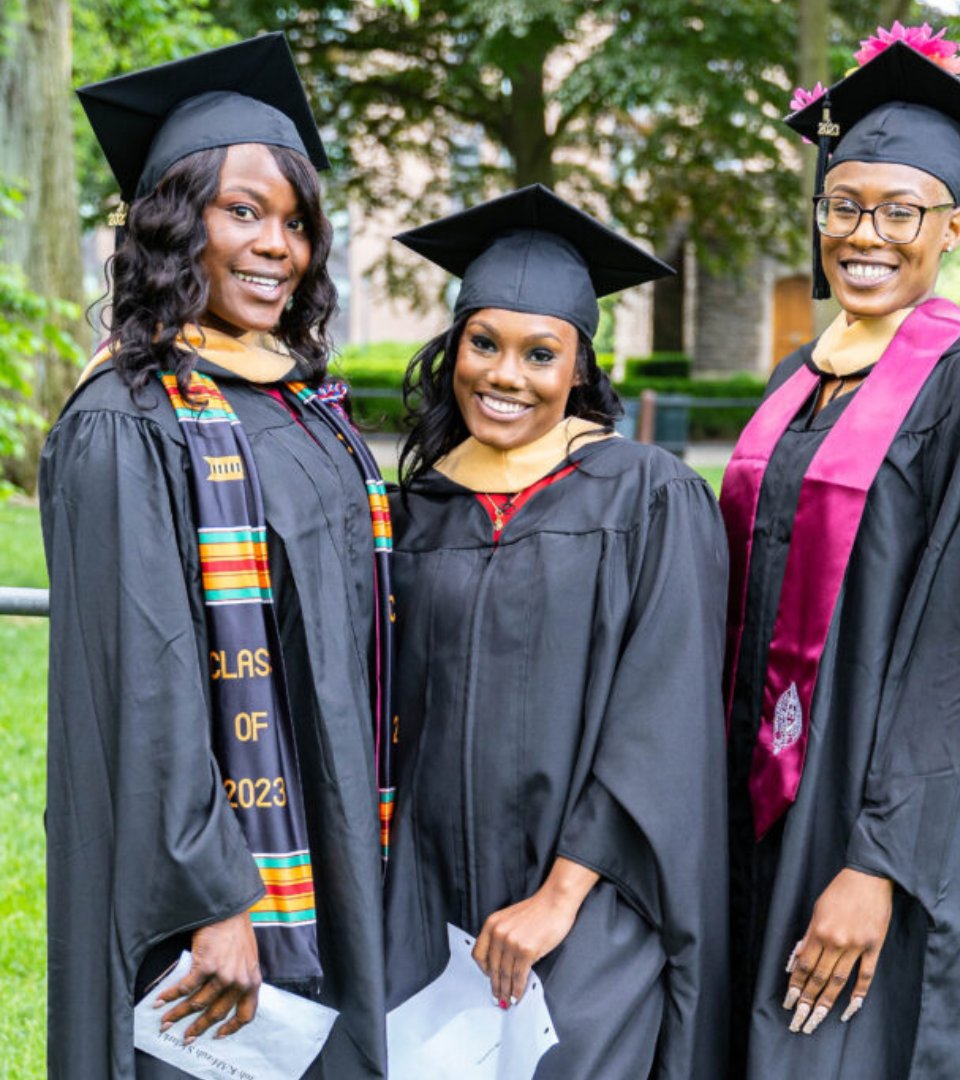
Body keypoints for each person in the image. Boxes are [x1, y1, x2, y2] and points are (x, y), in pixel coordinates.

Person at [721, 30, 960, 1079]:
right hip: (762, 794)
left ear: (954, 228)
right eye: (845, 205)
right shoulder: (800, 379)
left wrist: (875, 864)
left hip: (875, 819)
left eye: (900, 211)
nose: (865, 234)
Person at [41, 35, 392, 1080]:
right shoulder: (126, 418)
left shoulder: (299, 405)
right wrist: (214, 903)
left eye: (295, 222)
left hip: (323, 847)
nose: (278, 246)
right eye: (243, 211)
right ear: (169, 220)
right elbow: (144, 681)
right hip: (209, 900)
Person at [383, 184, 730, 1078]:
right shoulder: (415, 511)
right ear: (454, 345)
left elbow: (665, 716)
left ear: (579, 367)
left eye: (541, 353)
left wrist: (560, 896)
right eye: (484, 343)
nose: (505, 375)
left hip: (591, 907)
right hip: (426, 912)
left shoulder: (647, 496)